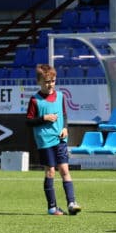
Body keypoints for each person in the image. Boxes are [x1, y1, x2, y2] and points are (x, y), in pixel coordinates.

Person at [25, 64, 82, 216]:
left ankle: (71, 203)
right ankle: (52, 207)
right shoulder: (35, 100)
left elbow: (64, 115)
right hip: (44, 140)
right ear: (39, 82)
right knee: (50, 171)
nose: (50, 84)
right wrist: (44, 118)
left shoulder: (61, 96)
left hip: (60, 138)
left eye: (52, 81)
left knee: (64, 170)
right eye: (46, 82)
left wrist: (65, 128)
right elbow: (28, 121)